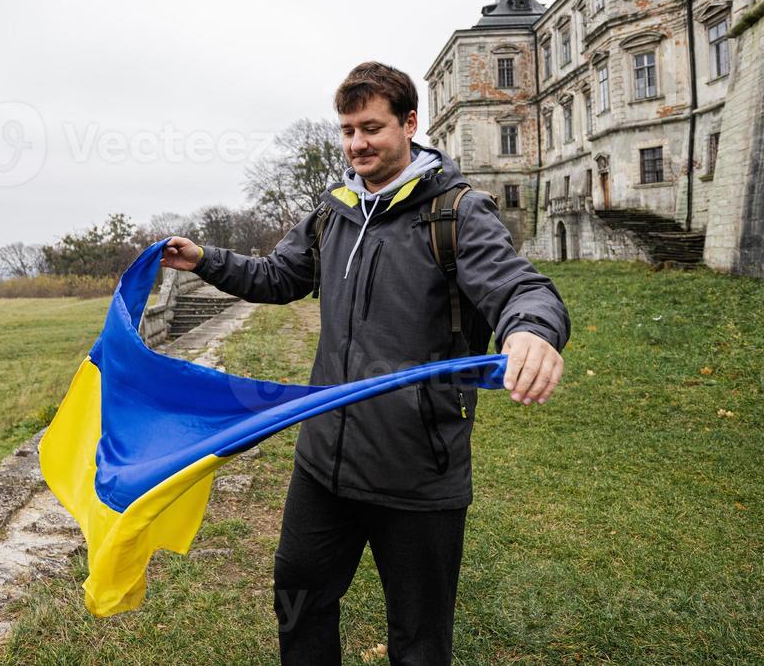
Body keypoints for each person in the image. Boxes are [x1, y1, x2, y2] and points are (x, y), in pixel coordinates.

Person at [160, 61, 569, 665]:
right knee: (299, 598)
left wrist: (533, 331)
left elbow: (521, 290)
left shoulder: (458, 212)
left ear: (409, 124)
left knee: (419, 637)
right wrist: (206, 259)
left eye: (371, 128)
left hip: (418, 470)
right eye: (348, 131)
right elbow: (278, 276)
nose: (357, 144)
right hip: (323, 460)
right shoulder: (334, 214)